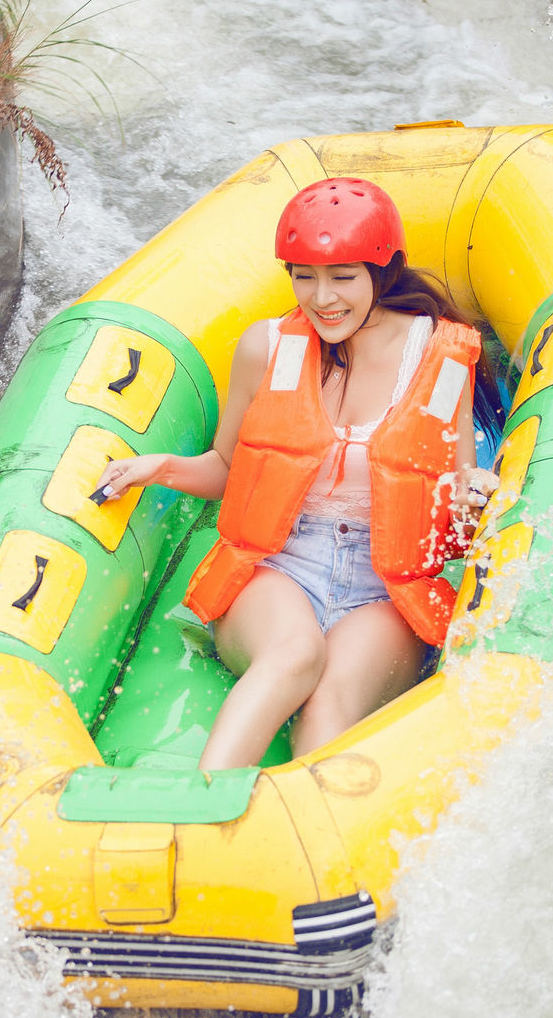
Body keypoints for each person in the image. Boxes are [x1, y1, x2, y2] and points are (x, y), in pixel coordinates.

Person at [92, 177, 501, 771]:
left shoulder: (442, 357)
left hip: (386, 588)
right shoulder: (266, 347)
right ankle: (205, 808)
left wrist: (474, 502)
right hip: (279, 566)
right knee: (293, 654)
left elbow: (455, 501)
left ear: (382, 272)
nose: (322, 297)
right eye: (303, 275)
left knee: (330, 698)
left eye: (342, 277)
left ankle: (308, 846)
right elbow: (229, 468)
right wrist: (159, 468)